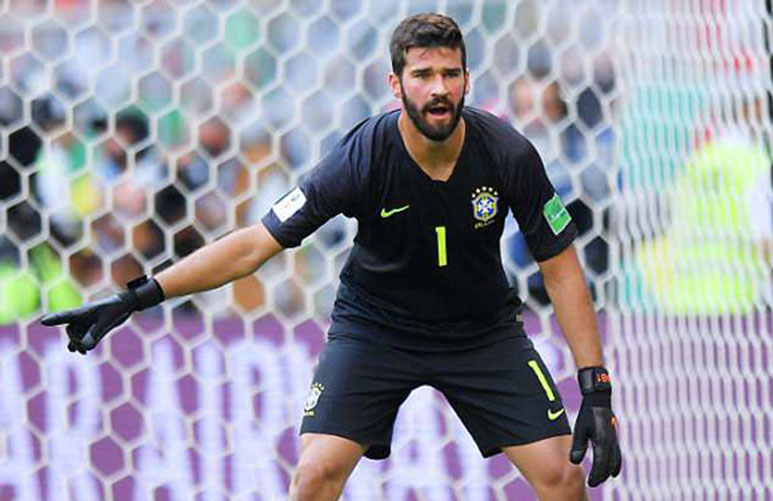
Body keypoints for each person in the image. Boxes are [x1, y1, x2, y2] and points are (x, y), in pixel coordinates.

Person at [42, 13, 622, 500]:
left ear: (467, 79)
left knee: (563, 478)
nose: (438, 89)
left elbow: (561, 267)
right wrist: (138, 295)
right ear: (396, 84)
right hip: (377, 330)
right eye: (422, 75)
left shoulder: (509, 154)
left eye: (449, 74)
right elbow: (253, 246)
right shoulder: (362, 156)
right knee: (316, 473)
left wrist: (595, 386)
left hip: (481, 332)